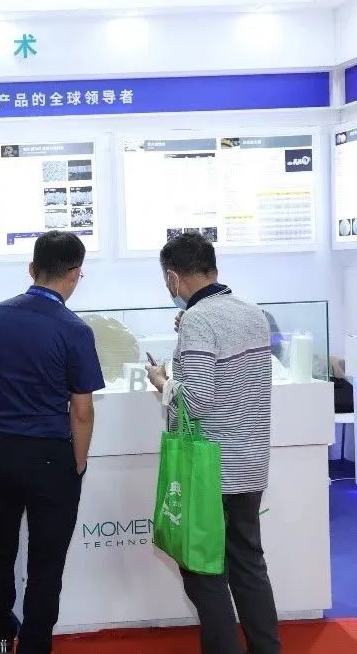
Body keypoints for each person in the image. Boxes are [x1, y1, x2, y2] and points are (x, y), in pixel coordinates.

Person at [146, 232, 280, 654]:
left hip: (210, 470)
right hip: (249, 462)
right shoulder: (253, 313)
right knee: (248, 564)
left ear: (173, 278)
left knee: (203, 570)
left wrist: (163, 381)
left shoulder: (198, 321)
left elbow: (199, 400)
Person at [0, 231, 104, 654]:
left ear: (32, 268)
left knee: (0, 546)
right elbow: (81, 410)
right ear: (75, 274)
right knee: (46, 560)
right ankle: (34, 644)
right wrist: (77, 462)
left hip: (2, 449)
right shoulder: (75, 329)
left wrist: (0, 426)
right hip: (51, 455)